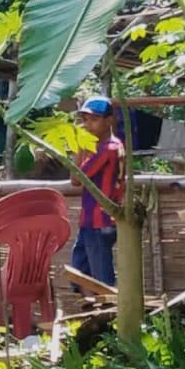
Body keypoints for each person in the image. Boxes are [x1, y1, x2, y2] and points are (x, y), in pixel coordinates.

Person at [71, 94, 123, 287]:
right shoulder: (104, 147)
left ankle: (107, 314)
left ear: (109, 120)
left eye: (94, 119)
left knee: (101, 280)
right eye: (85, 120)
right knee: (79, 276)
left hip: (100, 222)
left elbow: (76, 178)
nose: (88, 125)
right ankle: (93, 312)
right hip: (91, 221)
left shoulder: (108, 148)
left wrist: (79, 145)